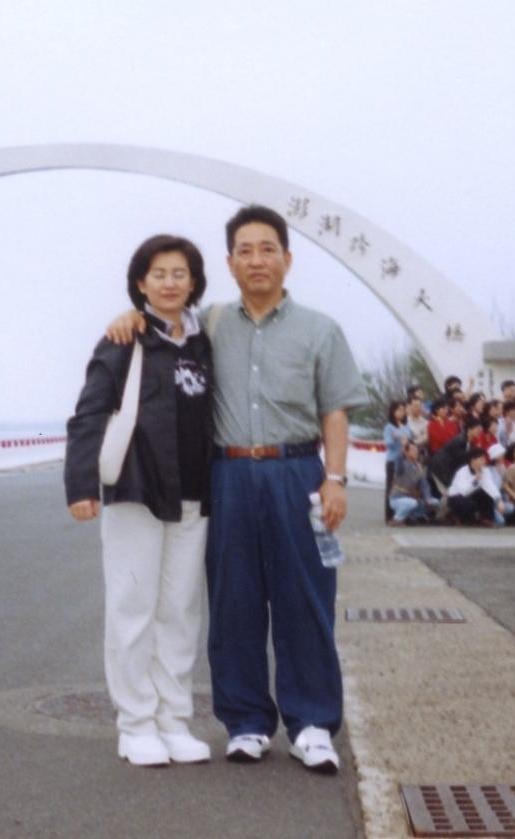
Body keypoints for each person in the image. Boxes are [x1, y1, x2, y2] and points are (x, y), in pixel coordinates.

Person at [107, 205, 366, 772]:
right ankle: (246, 723)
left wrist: (336, 479)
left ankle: (312, 725)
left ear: (287, 258)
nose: (257, 260)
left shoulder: (320, 330)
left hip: (297, 473)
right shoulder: (210, 324)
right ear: (229, 263)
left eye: (267, 249)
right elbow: (161, 320)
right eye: (244, 251)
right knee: (234, 602)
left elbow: (335, 410)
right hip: (227, 475)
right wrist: (129, 316)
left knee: (305, 599)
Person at [65, 234, 215, 767]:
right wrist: (82, 485)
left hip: (194, 495)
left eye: (180, 273)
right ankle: (135, 724)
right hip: (136, 491)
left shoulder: (203, 342)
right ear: (141, 284)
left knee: (180, 613)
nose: (170, 283)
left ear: (194, 282)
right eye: (159, 274)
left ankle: (174, 721)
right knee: (133, 609)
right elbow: (88, 413)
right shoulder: (123, 339)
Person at [446, 446, 498, 525]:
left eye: (484, 459)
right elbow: (463, 492)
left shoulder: (485, 470)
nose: (484, 461)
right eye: (481, 459)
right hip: (457, 497)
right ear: (473, 460)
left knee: (487, 496)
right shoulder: (462, 472)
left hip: (473, 496)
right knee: (468, 505)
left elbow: (490, 486)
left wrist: (498, 500)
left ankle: (487, 519)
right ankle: (456, 516)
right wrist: (475, 481)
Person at [389, 440, 437, 525]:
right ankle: (397, 519)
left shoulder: (419, 467)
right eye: (413, 450)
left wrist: (428, 499)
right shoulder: (402, 464)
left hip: (411, 498)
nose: (416, 452)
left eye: (416, 450)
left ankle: (411, 517)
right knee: (411, 503)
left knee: (435, 503)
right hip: (397, 498)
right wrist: (401, 452)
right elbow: (398, 463)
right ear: (406, 453)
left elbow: (424, 485)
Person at [382, 400, 410, 522]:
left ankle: (401, 513)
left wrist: (404, 441)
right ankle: (389, 514)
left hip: (404, 460)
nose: (401, 413)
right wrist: (398, 438)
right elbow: (388, 443)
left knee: (402, 487)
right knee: (391, 487)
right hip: (393, 460)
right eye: (399, 410)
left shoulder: (406, 427)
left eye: (403, 410)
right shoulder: (389, 427)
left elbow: (409, 439)